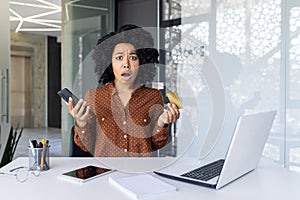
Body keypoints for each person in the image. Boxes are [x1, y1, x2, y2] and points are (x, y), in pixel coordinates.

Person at [68, 24, 180, 157]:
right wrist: (81, 123)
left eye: (133, 58)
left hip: (140, 172)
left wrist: (162, 122)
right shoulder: (94, 96)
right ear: (109, 63)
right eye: (119, 57)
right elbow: (86, 147)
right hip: (104, 173)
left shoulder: (153, 97)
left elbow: (156, 144)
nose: (126, 64)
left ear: (142, 62)